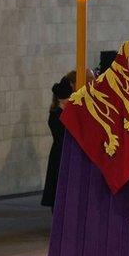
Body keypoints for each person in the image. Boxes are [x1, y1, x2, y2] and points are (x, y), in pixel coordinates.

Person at [42, 72, 77, 208]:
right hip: (60, 153)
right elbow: (61, 135)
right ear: (62, 99)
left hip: (67, 151)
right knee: (57, 184)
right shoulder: (56, 115)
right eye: (68, 98)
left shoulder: (67, 112)